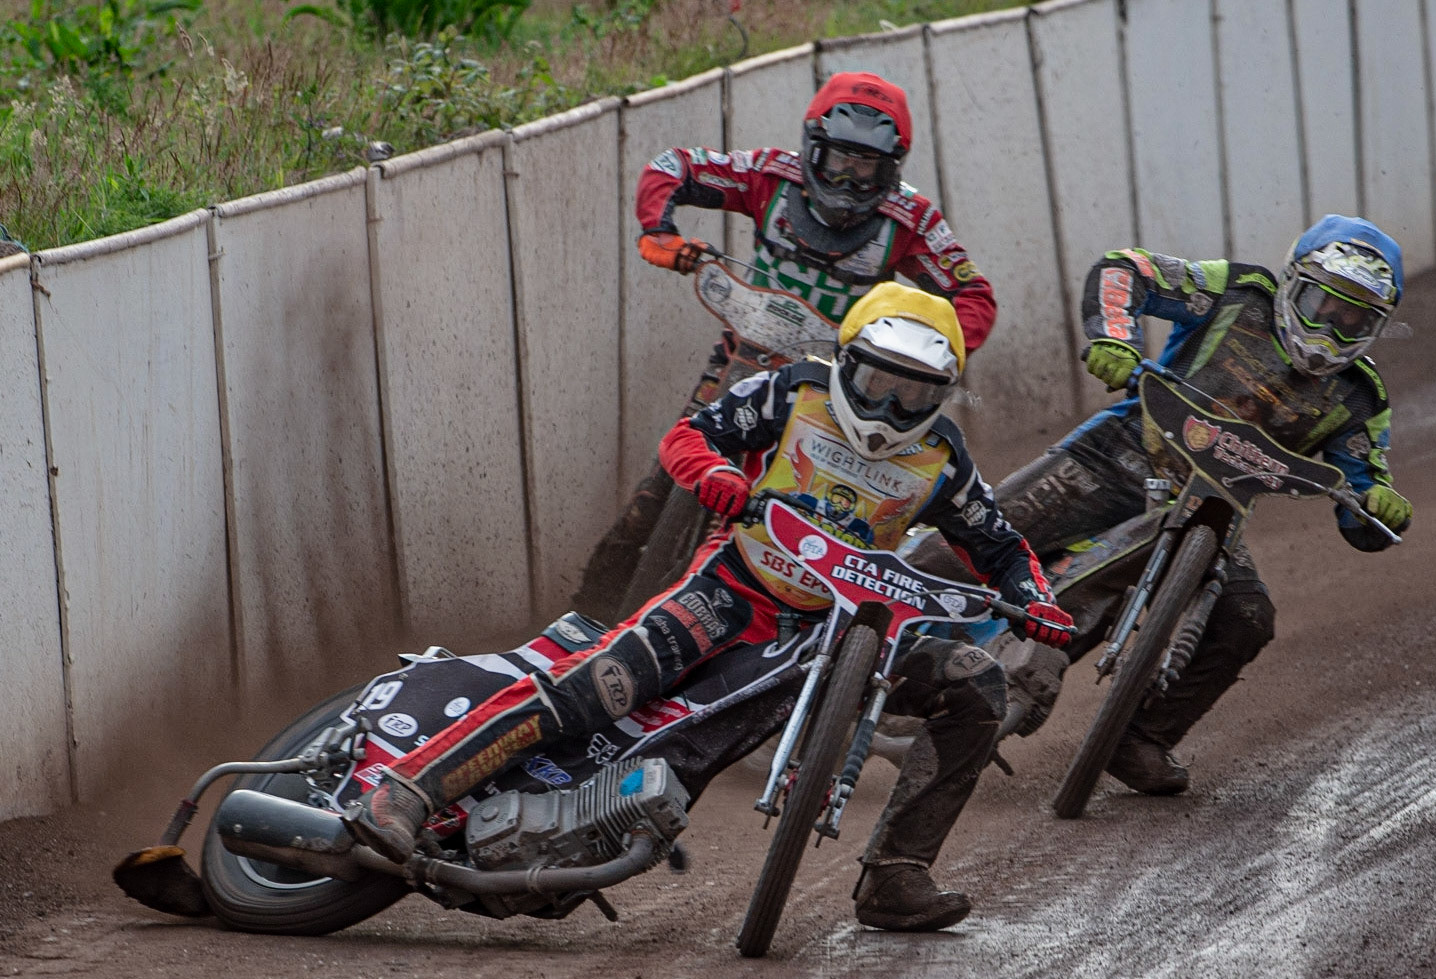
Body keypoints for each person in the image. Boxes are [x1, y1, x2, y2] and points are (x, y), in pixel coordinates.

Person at [350, 283, 1070, 933]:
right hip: (729, 588)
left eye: (912, 396)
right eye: (876, 382)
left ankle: (896, 874)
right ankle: (409, 792)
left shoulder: (943, 459)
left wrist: (1033, 600)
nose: (887, 409)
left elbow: (1002, 547)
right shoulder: (790, 392)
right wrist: (724, 480)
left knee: (975, 681)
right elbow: (688, 438)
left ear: (940, 396)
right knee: (599, 684)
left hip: (837, 632)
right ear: (845, 362)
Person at [905, 214, 1414, 795]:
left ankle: (1139, 737)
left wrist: (1380, 503)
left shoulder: (1361, 398)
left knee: (1247, 621)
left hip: (1213, 511)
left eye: (1354, 317)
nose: (1332, 324)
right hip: (1115, 456)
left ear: (1376, 327)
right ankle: (829, 639)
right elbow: (1125, 269)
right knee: (957, 550)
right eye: (1326, 302)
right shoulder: (1238, 291)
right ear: (1294, 281)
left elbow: (1362, 490)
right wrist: (1113, 338)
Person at [573, 70, 997, 621]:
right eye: (838, 160)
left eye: (865, 166)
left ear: (892, 168)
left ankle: (794, 621)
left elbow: (973, 294)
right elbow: (672, 166)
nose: (847, 179)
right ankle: (586, 613)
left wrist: (929, 350)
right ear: (811, 148)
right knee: (656, 489)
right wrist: (660, 231)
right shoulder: (768, 175)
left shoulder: (912, 220)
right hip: (742, 355)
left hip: (839, 390)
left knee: (811, 508)